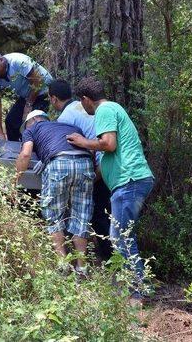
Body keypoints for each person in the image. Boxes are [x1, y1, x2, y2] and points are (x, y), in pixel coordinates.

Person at [66, 76, 154, 300]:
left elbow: (109, 144)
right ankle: (137, 288)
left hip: (129, 181)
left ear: (86, 100)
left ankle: (137, 294)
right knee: (125, 235)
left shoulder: (104, 110)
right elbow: (109, 152)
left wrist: (83, 141)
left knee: (121, 237)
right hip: (129, 182)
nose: (82, 107)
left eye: (81, 102)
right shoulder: (113, 109)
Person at [16, 110, 94, 274]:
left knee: (53, 215)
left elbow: (25, 154)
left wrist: (15, 180)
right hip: (85, 164)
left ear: (35, 119)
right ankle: (82, 267)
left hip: (59, 164)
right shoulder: (70, 126)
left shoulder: (33, 128)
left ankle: (63, 265)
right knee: (81, 216)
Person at [49, 79, 112, 260]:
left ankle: (110, 258)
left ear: (53, 99)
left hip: (95, 165)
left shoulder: (65, 117)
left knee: (96, 213)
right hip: (107, 162)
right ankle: (110, 256)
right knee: (106, 211)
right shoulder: (82, 106)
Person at [0, 50, 53, 141]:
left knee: (32, 122)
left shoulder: (18, 61)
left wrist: (29, 104)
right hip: (26, 95)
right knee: (11, 122)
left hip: (44, 92)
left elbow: (37, 81)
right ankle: (13, 150)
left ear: (1, 60)